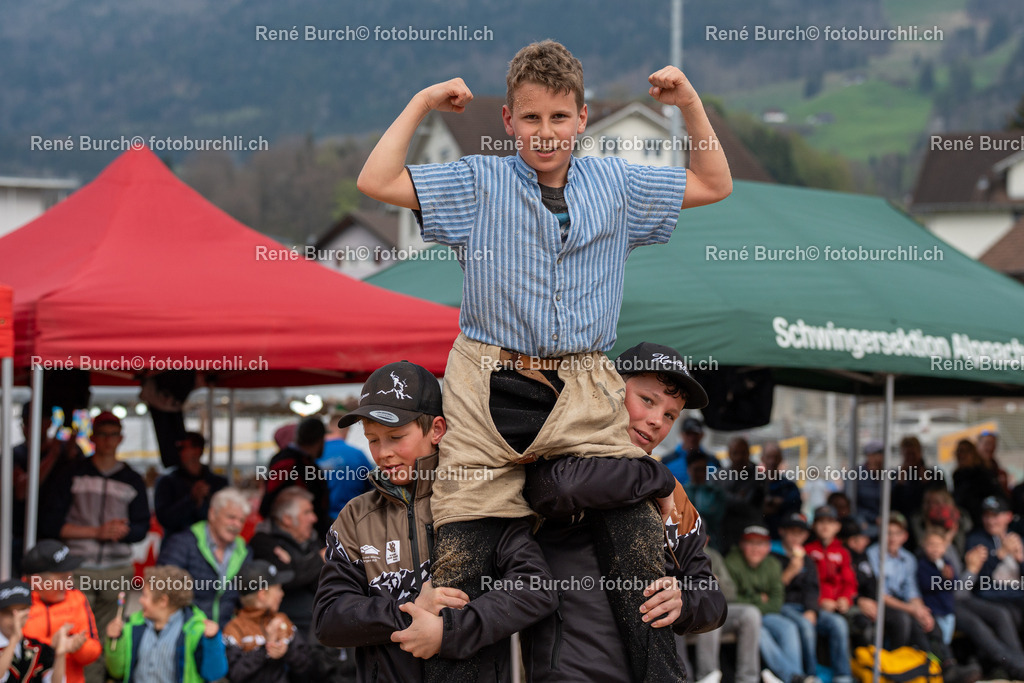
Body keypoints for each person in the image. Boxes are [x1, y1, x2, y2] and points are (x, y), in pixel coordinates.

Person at [356, 35, 731, 683]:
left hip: (581, 375)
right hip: (486, 377)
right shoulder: (479, 181)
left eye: (560, 117)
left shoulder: (617, 183)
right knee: (466, 549)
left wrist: (690, 102)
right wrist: (421, 102)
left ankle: (660, 673)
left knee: (631, 527)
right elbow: (376, 179)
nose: (546, 131)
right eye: (530, 117)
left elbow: (713, 181)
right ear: (508, 122)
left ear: (583, 118)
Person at [313, 361, 559, 683]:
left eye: (395, 436)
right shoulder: (355, 517)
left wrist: (448, 632)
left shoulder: (481, 499)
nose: (383, 452)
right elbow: (329, 619)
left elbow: (536, 589)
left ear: (436, 430)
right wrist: (411, 606)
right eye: (373, 439)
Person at [522, 342, 726, 682]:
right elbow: (558, 490)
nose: (656, 421)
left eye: (671, 415)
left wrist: (684, 603)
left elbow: (713, 600)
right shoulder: (565, 454)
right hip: (571, 673)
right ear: (611, 388)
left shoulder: (674, 494)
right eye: (647, 400)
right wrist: (654, 475)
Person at [37, 410, 149, 683]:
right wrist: (96, 532)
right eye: (103, 434)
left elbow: (141, 527)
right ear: (93, 437)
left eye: (113, 434)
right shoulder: (72, 473)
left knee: (105, 633)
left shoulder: (132, 478)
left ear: (120, 438)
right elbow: (50, 523)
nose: (108, 440)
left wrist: (122, 532)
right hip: (78, 567)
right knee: (76, 632)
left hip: (117, 568)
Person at [104, 565, 228, 682]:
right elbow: (117, 672)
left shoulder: (194, 631)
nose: (140, 600)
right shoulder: (133, 627)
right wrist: (115, 640)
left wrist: (212, 641)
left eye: (145, 596)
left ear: (163, 601)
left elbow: (214, 673)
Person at [157, 487, 253, 627]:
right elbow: (162, 589)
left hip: (225, 635)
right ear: (212, 514)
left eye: (241, 521)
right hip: (185, 631)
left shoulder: (244, 551)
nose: (237, 525)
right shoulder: (182, 544)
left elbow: (245, 598)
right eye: (231, 517)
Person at [725, 525, 806, 683]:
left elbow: (776, 601)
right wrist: (758, 599)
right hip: (742, 618)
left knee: (789, 627)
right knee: (760, 632)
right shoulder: (731, 561)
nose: (756, 549)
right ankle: (793, 677)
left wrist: (754, 603)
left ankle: (796, 675)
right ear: (742, 545)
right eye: (751, 543)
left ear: (768, 547)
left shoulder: (773, 564)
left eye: (761, 544)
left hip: (767, 614)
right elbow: (731, 599)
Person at [12, 402, 84, 576]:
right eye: (26, 422)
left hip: (57, 534)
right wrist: (52, 455)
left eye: (36, 422)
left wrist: (70, 455)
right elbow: (22, 491)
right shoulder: (16, 454)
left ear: (49, 423)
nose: (30, 427)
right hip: (21, 534)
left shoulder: (68, 452)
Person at [21, 540, 101, 683]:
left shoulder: (76, 598)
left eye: (70, 577)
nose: (69, 583)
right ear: (36, 581)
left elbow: (94, 651)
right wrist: (53, 646)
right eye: (62, 578)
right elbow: (10, 652)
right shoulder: (16, 603)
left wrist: (77, 647)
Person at [248, 487, 323, 636]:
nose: (314, 518)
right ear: (287, 519)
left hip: (321, 623)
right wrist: (319, 559)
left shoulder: (314, 540)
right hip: (289, 628)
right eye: (307, 512)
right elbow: (287, 577)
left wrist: (297, 564)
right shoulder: (264, 542)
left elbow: (325, 579)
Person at [223, 560, 311, 683]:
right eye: (278, 589)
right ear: (262, 595)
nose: (282, 594)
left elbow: (306, 665)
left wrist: (286, 651)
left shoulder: (282, 622)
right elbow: (234, 674)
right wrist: (265, 649)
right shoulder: (234, 628)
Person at [691, 544, 762, 683]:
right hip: (687, 612)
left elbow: (731, 594)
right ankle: (707, 677)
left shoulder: (713, 556)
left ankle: (748, 679)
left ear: (707, 540)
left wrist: (717, 583)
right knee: (709, 613)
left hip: (715, 608)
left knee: (750, 613)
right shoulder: (673, 551)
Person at [260, 417, 331, 541]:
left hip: (308, 535)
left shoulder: (306, 462)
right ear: (319, 440)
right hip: (289, 536)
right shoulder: (288, 462)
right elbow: (268, 501)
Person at [771, 513, 822, 683]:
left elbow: (812, 588)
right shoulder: (772, 555)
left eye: (800, 533)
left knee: (838, 624)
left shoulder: (807, 559)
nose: (796, 537)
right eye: (792, 531)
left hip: (804, 606)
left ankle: (843, 675)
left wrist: (811, 609)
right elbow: (773, 590)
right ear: (782, 531)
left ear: (806, 536)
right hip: (783, 605)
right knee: (804, 627)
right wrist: (791, 571)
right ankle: (810, 674)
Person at [154, 432, 229, 536]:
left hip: (211, 545)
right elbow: (164, 519)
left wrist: (202, 501)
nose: (178, 452)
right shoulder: (166, 482)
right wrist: (191, 499)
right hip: (176, 545)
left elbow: (224, 517)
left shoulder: (218, 483)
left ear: (197, 450)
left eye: (182, 448)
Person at [0, 579, 73, 683]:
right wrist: (14, 640)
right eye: (9, 614)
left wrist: (60, 654)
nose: (15, 620)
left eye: (21, 612)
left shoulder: (37, 647)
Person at [317, 418, 373, 520]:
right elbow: (373, 485)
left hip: (320, 520)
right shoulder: (357, 454)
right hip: (352, 519)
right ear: (346, 430)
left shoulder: (314, 454)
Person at [953, 439, 1003, 530]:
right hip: (963, 521)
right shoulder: (957, 475)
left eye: (965, 451)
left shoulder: (982, 474)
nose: (961, 455)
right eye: (959, 451)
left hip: (981, 522)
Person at [684, 450, 727, 553]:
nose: (700, 474)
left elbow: (718, 518)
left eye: (703, 469)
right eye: (697, 469)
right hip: (686, 543)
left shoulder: (716, 492)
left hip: (713, 543)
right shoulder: (681, 493)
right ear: (689, 469)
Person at [761, 443, 802, 539]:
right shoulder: (754, 484)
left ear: (780, 459)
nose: (772, 461)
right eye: (769, 457)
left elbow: (794, 509)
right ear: (763, 458)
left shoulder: (789, 486)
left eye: (775, 457)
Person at [662, 417, 719, 485]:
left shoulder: (713, 461)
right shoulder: (666, 461)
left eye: (695, 434)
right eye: (688, 433)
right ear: (682, 434)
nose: (692, 438)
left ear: (702, 435)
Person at [855, 441, 884, 538]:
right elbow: (852, 503)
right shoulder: (856, 475)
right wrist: (873, 517)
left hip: (884, 524)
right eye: (878, 454)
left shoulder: (889, 475)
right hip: (864, 524)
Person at [976, 430, 1009, 496]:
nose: (991, 447)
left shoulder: (996, 468)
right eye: (987, 443)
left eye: (993, 444)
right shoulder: (971, 468)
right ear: (978, 445)